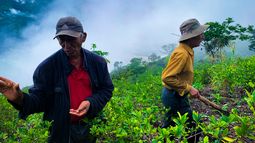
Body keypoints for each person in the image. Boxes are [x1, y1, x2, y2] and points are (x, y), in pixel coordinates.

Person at [0, 16, 114, 143]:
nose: (66, 46)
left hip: (92, 127)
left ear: (83, 37)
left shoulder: (97, 63)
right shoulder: (47, 68)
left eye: (71, 39)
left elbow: (106, 89)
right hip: (61, 133)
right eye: (61, 39)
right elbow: (38, 101)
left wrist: (90, 103)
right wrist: (19, 98)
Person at [161, 18, 208, 142]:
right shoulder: (182, 53)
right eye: (200, 34)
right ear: (191, 37)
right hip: (173, 96)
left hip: (177, 95)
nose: (202, 37)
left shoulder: (188, 50)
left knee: (171, 128)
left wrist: (187, 89)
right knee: (192, 128)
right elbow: (167, 77)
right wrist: (189, 88)